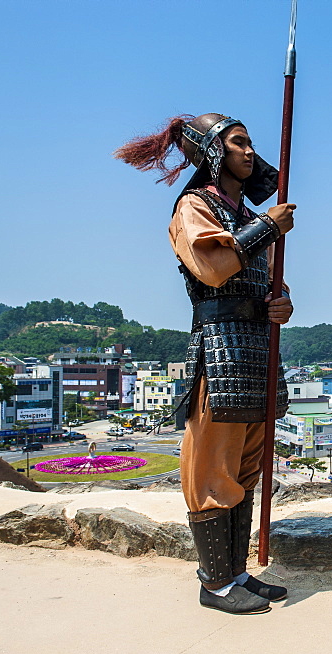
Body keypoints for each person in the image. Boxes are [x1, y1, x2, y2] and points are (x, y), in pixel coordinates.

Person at [116, 113, 295, 615]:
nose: (249, 151)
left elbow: (260, 282)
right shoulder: (194, 205)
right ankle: (214, 584)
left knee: (245, 466)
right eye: (238, 142)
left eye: (250, 142)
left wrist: (278, 301)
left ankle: (235, 573)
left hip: (256, 346)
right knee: (212, 467)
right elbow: (214, 268)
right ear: (214, 152)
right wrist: (267, 226)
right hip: (219, 347)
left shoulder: (239, 209)